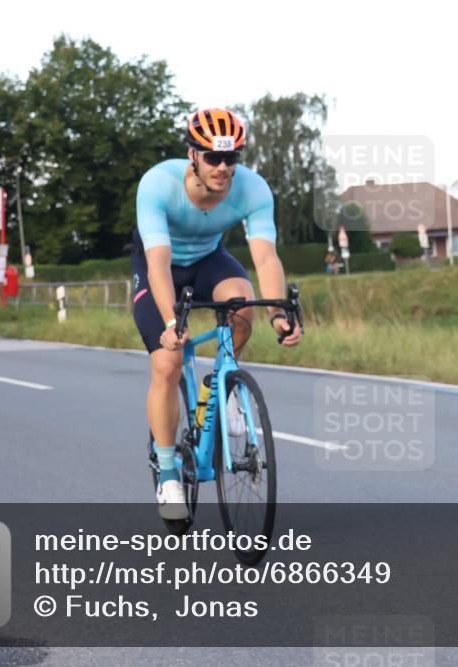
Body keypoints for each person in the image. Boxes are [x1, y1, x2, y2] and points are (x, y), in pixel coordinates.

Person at [130, 108, 302, 520]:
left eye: (232, 158)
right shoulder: (158, 184)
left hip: (209, 260)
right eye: (213, 158)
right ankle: (169, 471)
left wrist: (280, 312)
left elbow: (265, 255)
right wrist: (172, 324)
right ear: (193, 154)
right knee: (168, 362)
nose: (224, 168)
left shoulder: (253, 189)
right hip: (161, 267)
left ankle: (222, 391)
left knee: (242, 303)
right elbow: (158, 263)